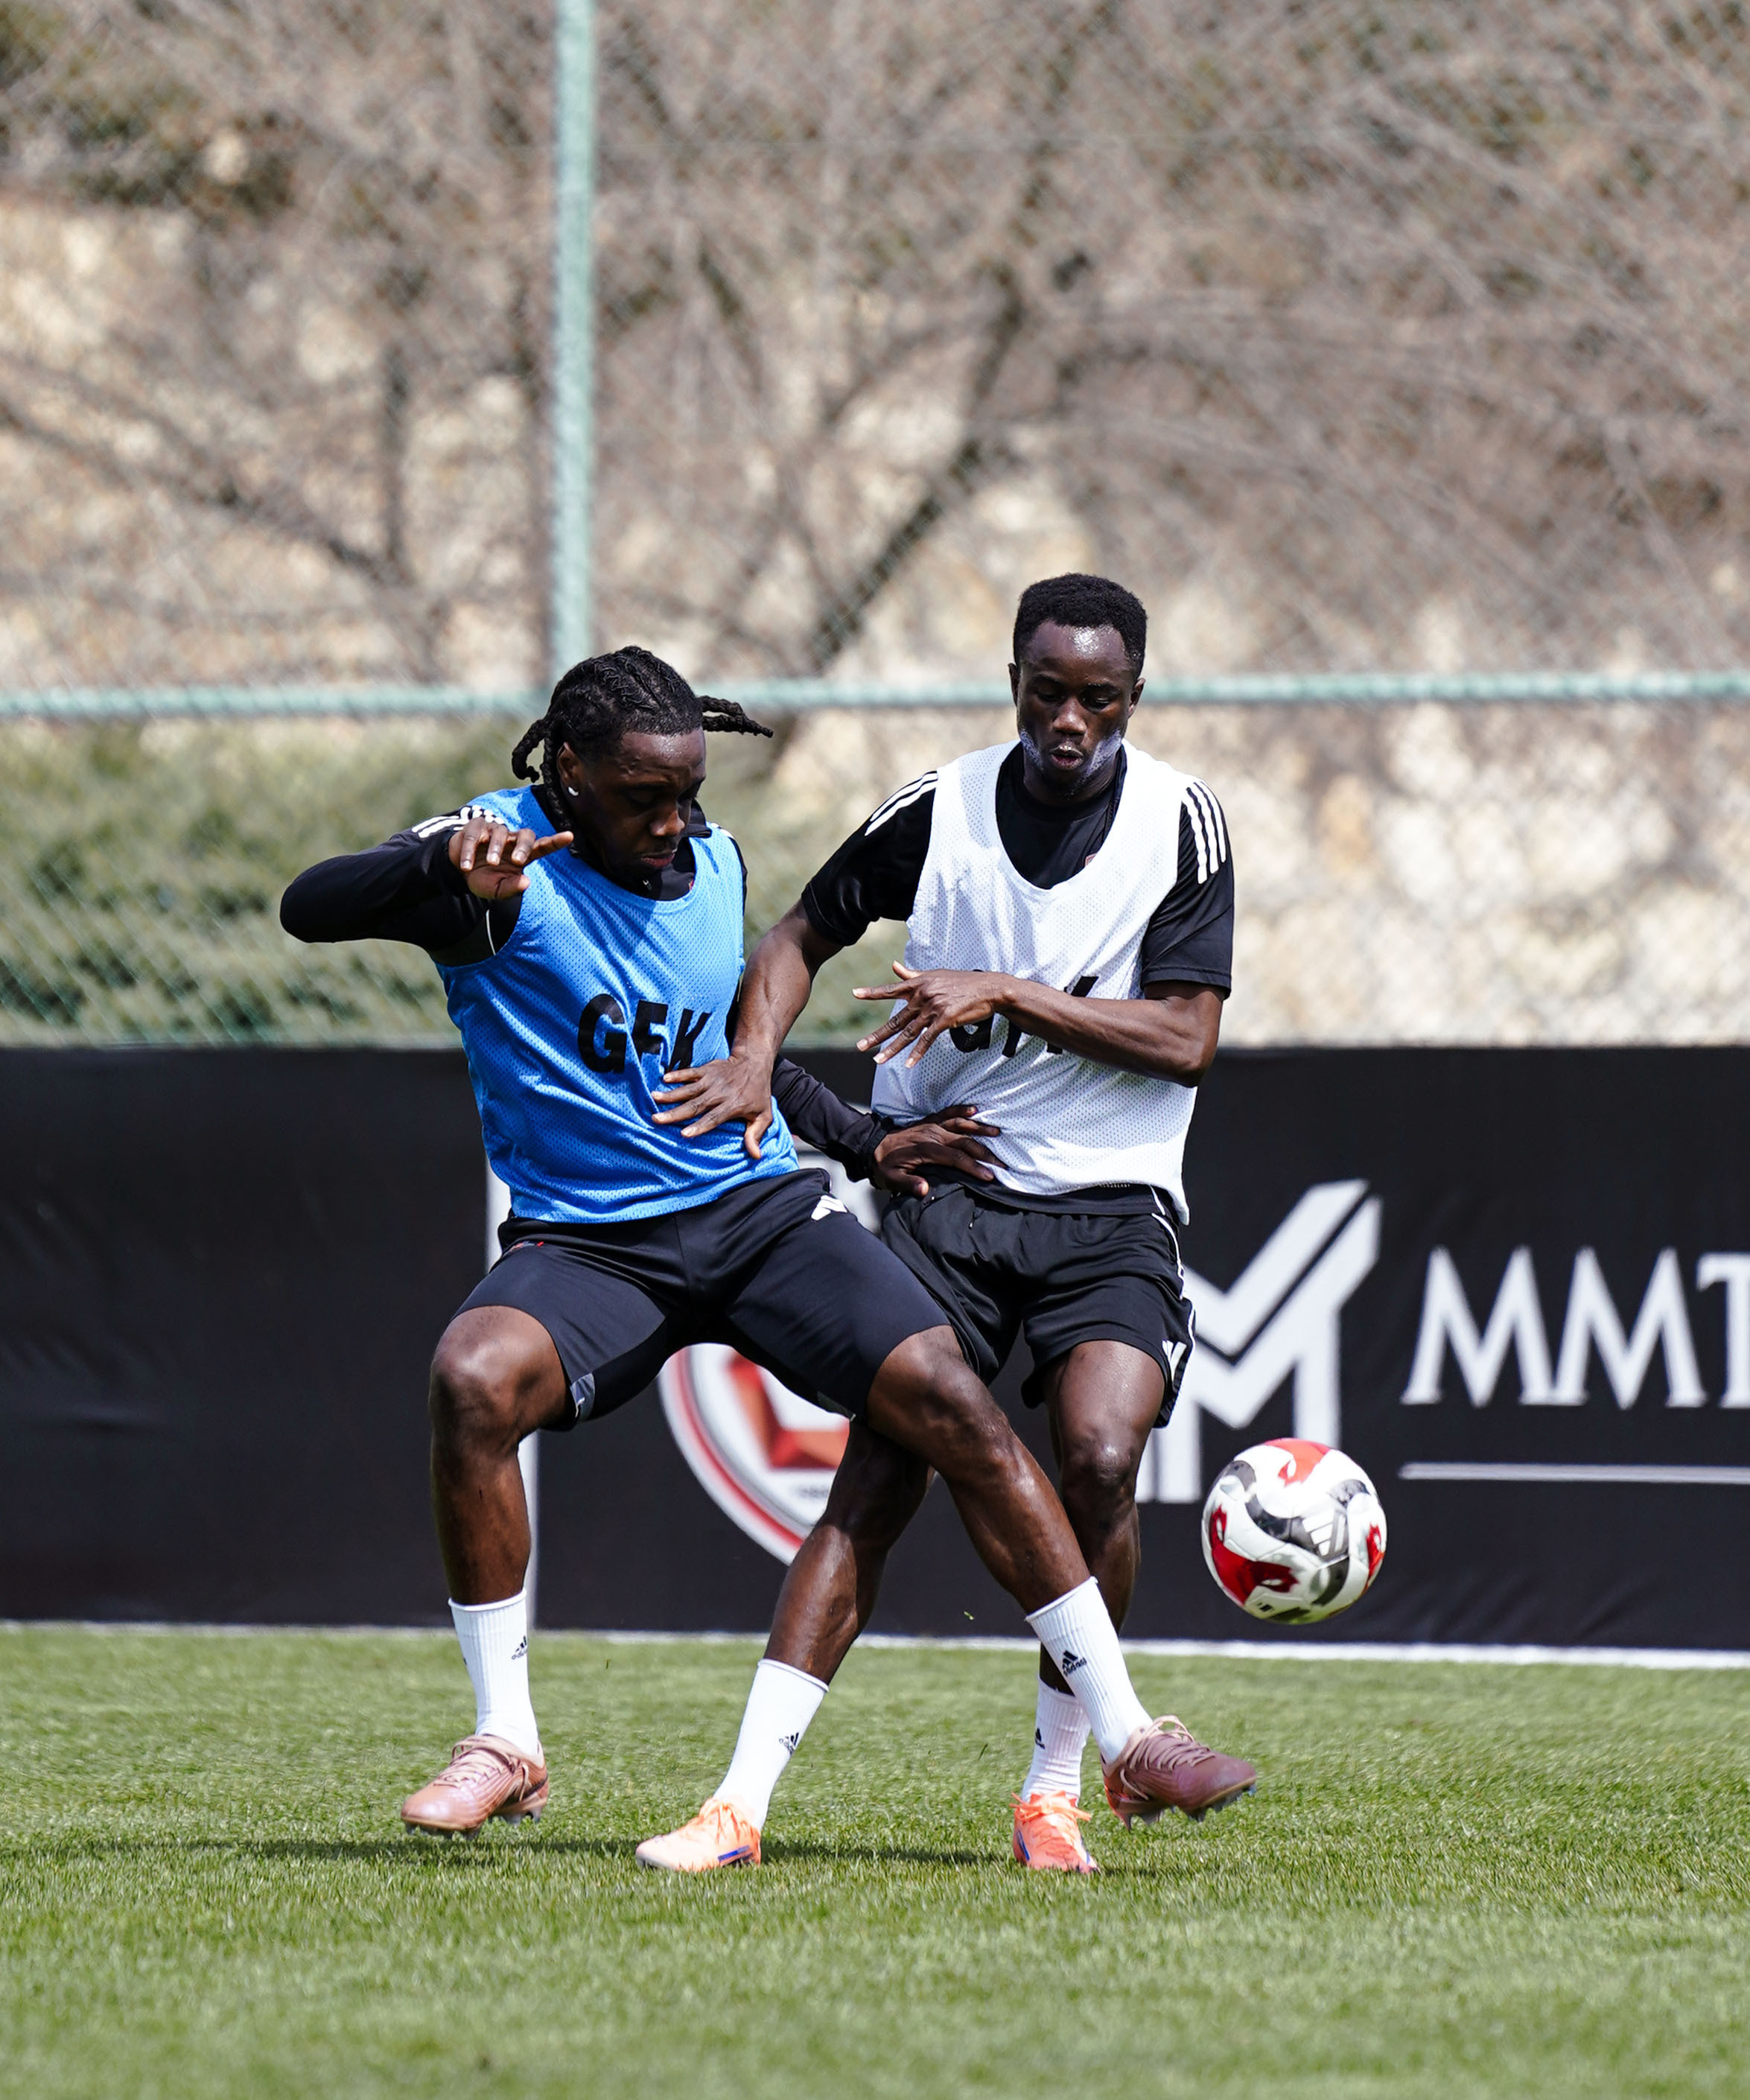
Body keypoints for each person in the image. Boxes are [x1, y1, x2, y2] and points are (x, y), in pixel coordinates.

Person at [279, 643, 1243, 1861]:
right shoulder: (491, 861)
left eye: (689, 792)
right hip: (592, 1246)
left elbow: (730, 1055)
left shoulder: (712, 863)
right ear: (567, 771)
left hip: (754, 1215)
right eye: (644, 797)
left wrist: (863, 1142)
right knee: (472, 1381)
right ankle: (504, 1740)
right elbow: (309, 905)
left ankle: (1125, 1735)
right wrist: (434, 865)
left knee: (948, 1396)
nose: (673, 822)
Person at [653, 576, 1247, 1873]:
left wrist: (1005, 993)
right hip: (948, 1196)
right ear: (1014, 683)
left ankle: (1052, 1792)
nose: (1070, 720)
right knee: (874, 1483)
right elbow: (793, 940)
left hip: (1112, 1202)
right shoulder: (938, 810)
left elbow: (1185, 1039)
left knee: (1100, 1457)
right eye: (1048, 692)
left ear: (1134, 697)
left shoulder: (1183, 825)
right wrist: (755, 1061)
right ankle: (737, 1807)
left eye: (1098, 698)